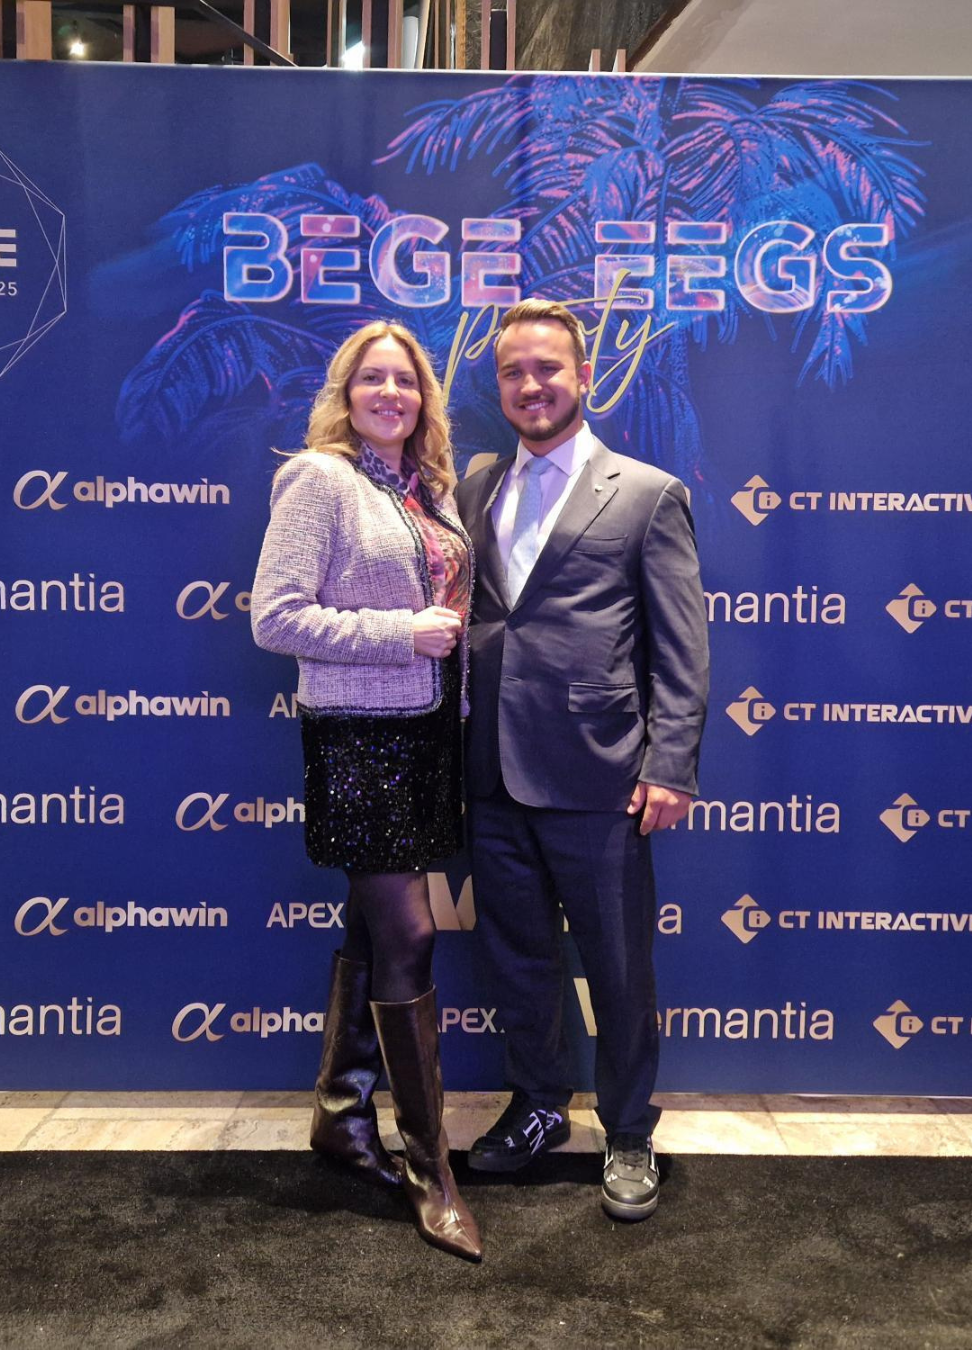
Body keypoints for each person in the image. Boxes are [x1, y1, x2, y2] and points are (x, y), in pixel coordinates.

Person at [455, 298, 709, 1222]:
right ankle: (537, 1107)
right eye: (514, 371)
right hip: (491, 771)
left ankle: (630, 1129)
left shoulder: (646, 493)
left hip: (602, 775)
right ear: (499, 384)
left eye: (548, 368)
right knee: (518, 960)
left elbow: (682, 645)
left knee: (619, 967)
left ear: (584, 376)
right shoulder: (476, 486)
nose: (531, 385)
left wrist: (670, 762)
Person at [250, 321, 481, 1263]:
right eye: (372, 379)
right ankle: (432, 1170)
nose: (391, 393)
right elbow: (275, 617)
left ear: (425, 399)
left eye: (407, 381)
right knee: (411, 934)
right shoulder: (320, 479)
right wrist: (400, 633)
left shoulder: (429, 488)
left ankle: (341, 1116)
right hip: (359, 739)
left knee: (374, 928)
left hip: (428, 734)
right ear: (345, 394)